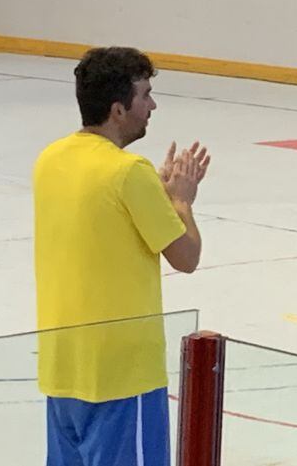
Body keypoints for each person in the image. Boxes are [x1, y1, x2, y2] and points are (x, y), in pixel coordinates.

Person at [33, 47, 210, 466]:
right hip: (122, 375)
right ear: (118, 109)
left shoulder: (49, 160)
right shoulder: (129, 172)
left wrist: (158, 196)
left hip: (62, 367)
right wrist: (181, 201)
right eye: (145, 95)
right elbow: (186, 256)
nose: (152, 105)